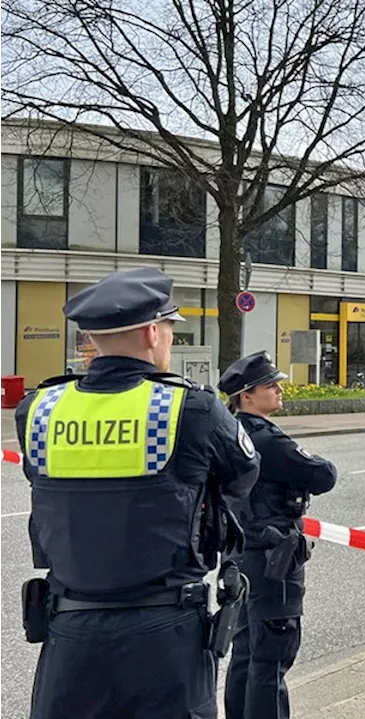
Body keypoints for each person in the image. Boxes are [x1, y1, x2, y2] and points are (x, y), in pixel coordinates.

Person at [14, 267, 260, 719]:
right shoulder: (191, 407)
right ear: (152, 332)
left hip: (69, 630)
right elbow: (243, 475)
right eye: (169, 330)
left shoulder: (40, 409)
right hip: (164, 635)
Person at [220, 351, 338, 719]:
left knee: (245, 652)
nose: (278, 389)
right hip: (274, 559)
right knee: (272, 656)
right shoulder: (269, 440)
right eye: (269, 385)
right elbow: (324, 475)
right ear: (246, 396)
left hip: (238, 556)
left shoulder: (228, 434)